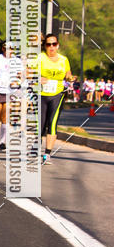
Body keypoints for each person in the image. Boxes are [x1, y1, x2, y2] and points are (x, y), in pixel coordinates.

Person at [39, 34, 73, 163]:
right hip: (42, 95)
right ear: (45, 46)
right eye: (48, 44)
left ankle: (47, 153)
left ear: (57, 45)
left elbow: (68, 73)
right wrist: (38, 78)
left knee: (52, 123)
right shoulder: (40, 58)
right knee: (41, 124)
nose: (51, 47)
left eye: (54, 44)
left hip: (57, 94)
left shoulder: (64, 59)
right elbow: (27, 72)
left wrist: (70, 77)